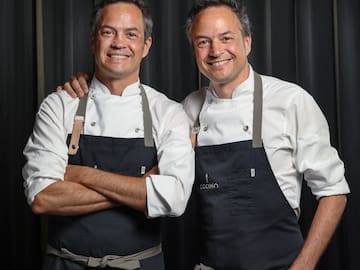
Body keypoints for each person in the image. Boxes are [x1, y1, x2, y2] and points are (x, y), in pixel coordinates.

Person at [60, 0, 350, 269]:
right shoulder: (188, 109)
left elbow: (334, 192)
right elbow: (160, 176)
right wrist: (89, 85)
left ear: (247, 42)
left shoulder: (290, 101)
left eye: (226, 38)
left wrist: (303, 267)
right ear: (194, 50)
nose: (215, 51)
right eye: (203, 42)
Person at [22, 1, 195, 270]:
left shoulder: (168, 112)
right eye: (108, 32)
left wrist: (81, 175)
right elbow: (43, 197)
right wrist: (142, 186)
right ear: (93, 41)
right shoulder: (58, 106)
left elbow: (174, 199)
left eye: (131, 34)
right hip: (66, 264)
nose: (118, 43)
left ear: (146, 46)